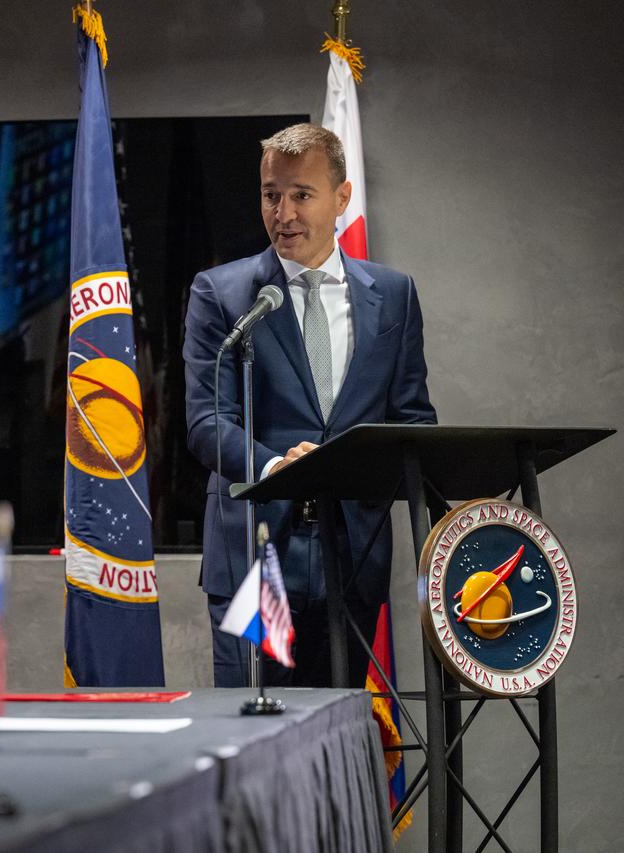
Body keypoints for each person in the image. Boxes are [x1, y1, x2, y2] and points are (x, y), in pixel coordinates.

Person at [183, 124, 436, 688]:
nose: (283, 213)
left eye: (301, 194)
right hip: (252, 553)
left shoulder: (394, 296)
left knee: (334, 742)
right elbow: (206, 423)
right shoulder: (222, 294)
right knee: (251, 745)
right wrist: (276, 468)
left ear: (342, 198)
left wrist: (357, 469)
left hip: (353, 556)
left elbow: (414, 421)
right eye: (271, 194)